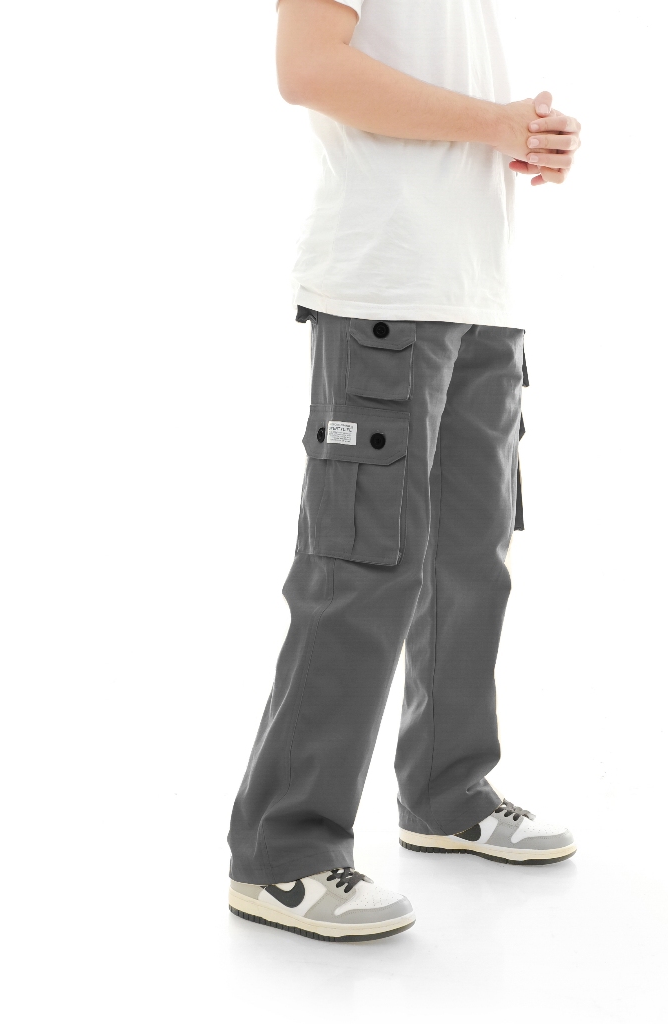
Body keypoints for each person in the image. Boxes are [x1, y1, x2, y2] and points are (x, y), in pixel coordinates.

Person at [227, 0, 583, 942]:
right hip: (385, 286)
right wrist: (496, 122)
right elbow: (309, 69)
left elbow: (447, 89)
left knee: (471, 561)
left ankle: (447, 792)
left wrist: (529, 137)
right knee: (360, 569)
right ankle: (282, 851)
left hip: (481, 290)